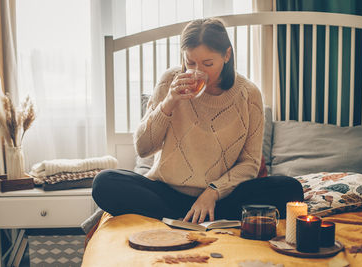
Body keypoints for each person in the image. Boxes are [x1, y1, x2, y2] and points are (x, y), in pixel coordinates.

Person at [92, 18, 303, 224]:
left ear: (227, 55)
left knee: (290, 189)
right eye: (190, 62)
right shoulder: (170, 81)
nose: (197, 71)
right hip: (167, 193)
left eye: (208, 63)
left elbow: (250, 163)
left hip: (221, 198)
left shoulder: (249, 94)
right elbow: (143, 148)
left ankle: (186, 219)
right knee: (104, 182)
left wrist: (213, 192)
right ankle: (190, 220)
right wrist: (169, 101)